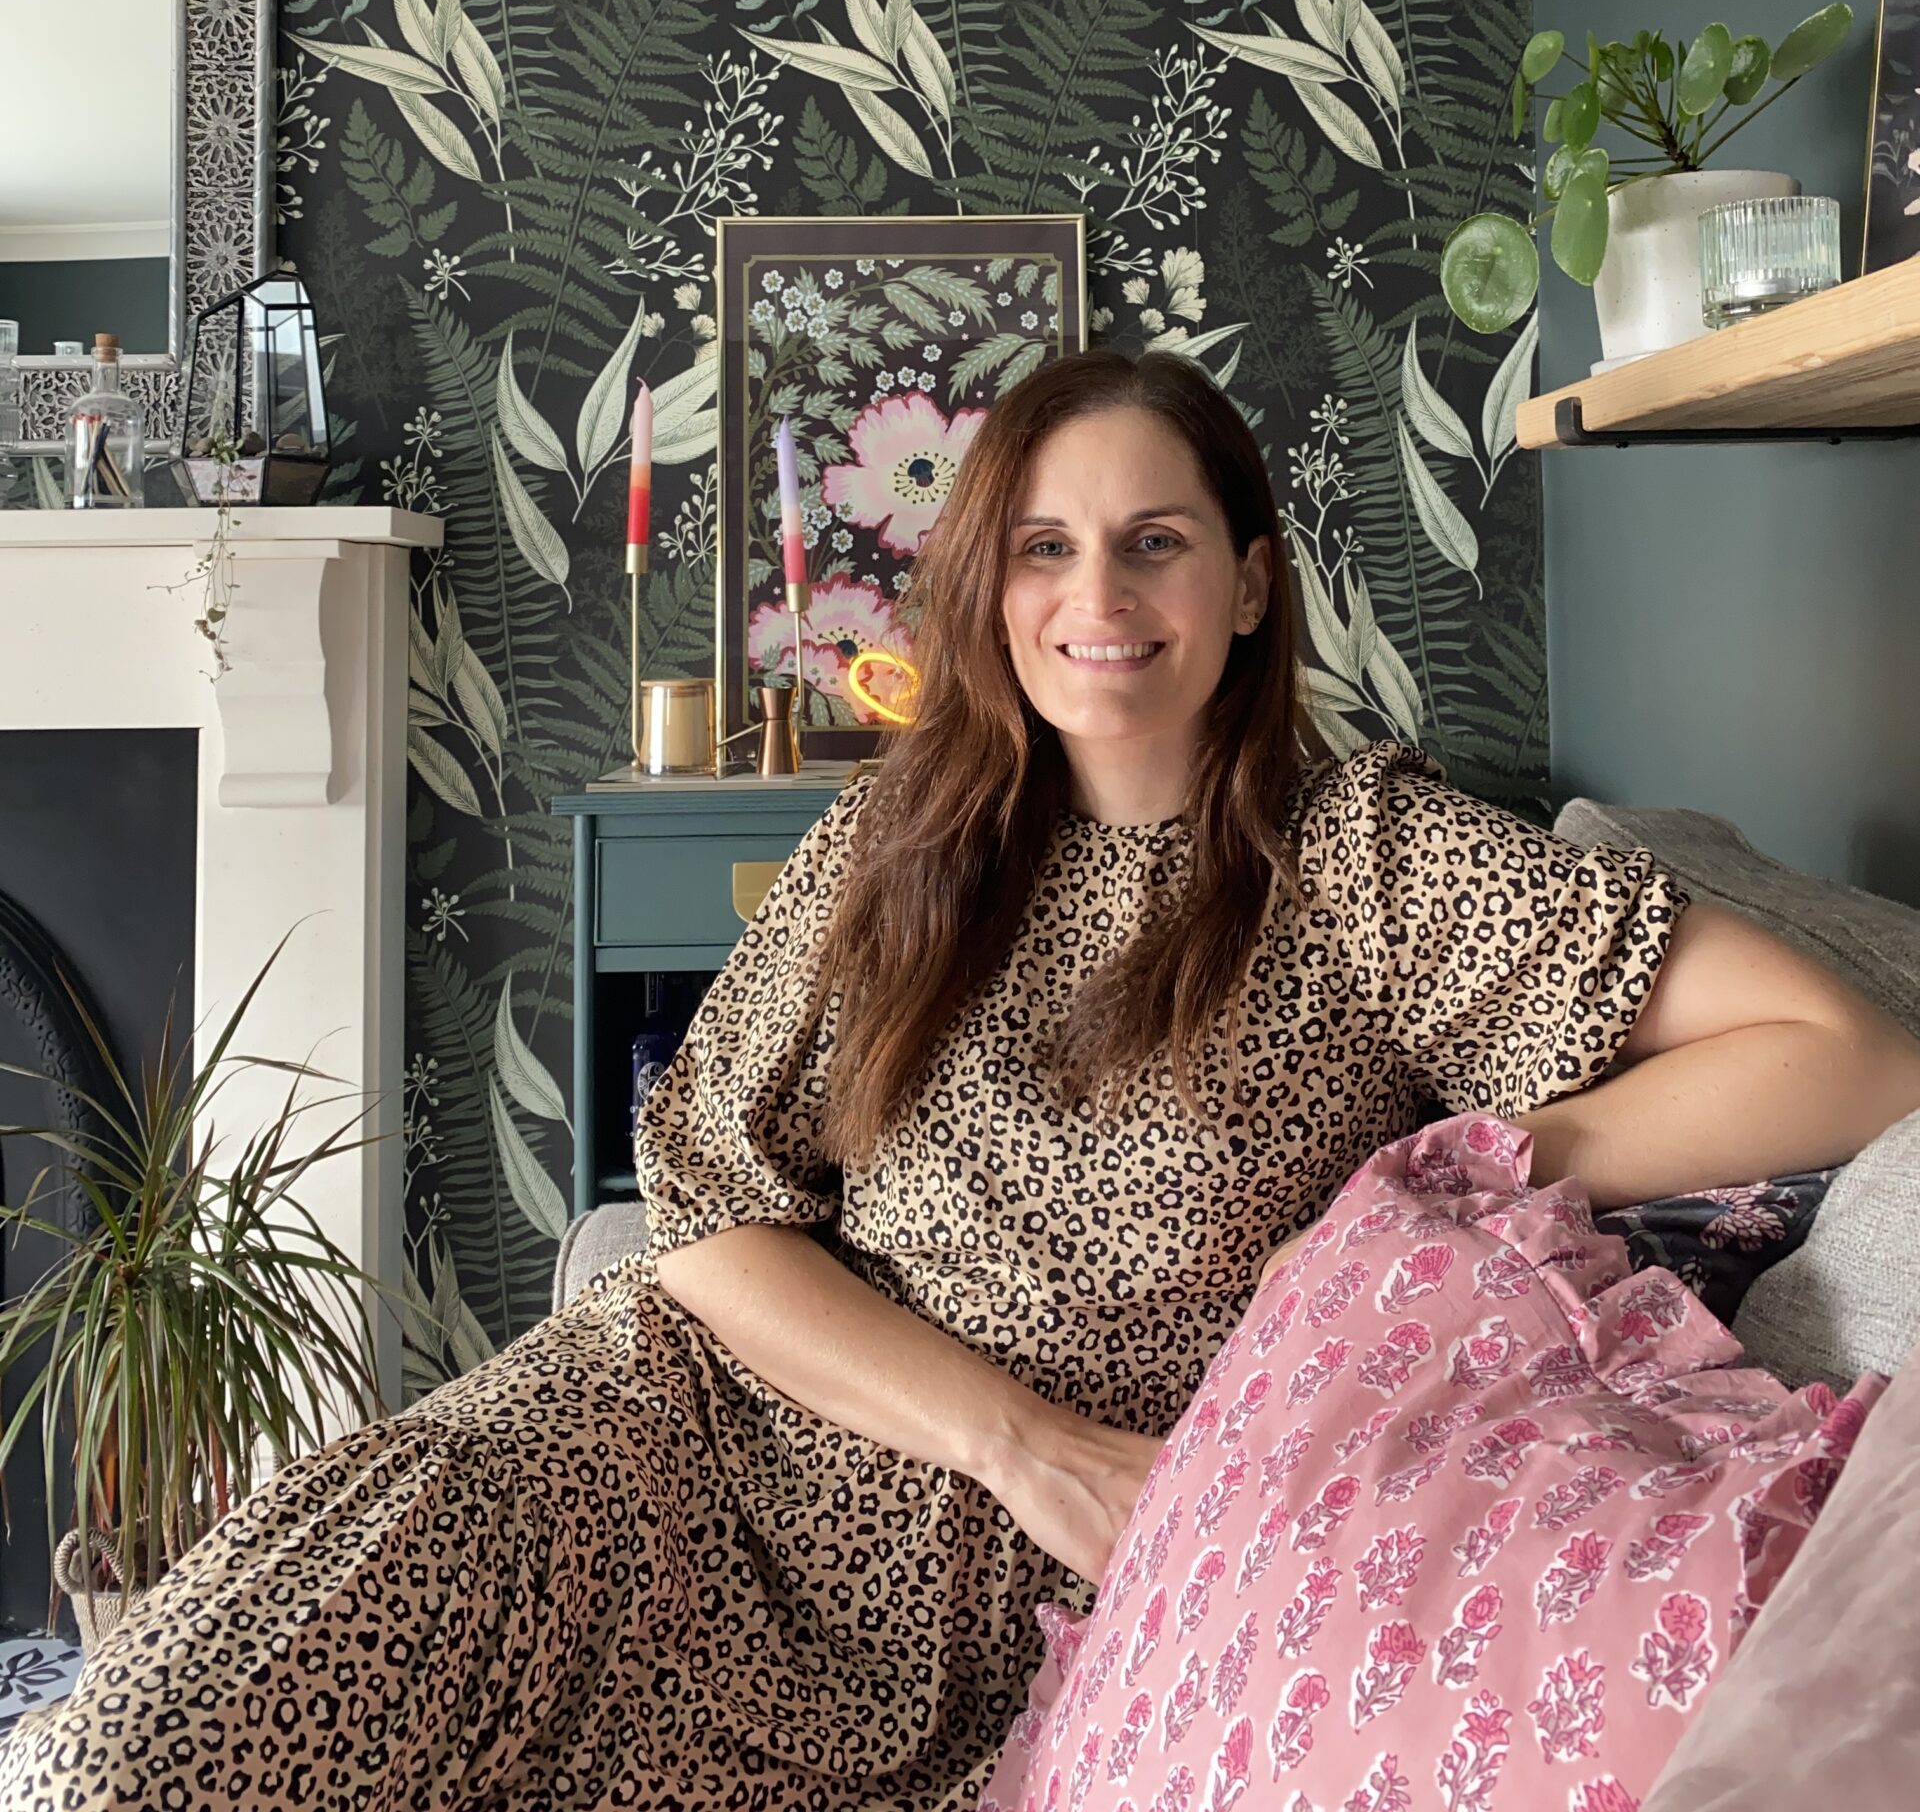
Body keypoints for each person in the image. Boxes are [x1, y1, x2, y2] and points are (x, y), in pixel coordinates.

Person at [6, 349, 1918, 1812]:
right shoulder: (899, 841)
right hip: (660, 1454)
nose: (1101, 596)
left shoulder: (1372, 861)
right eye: (1045, 547)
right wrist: (1026, 1444)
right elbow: (706, 1219)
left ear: (1252, 584)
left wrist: (1456, 1165)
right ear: (993, 586)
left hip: (966, 1623)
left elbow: (1847, 1053)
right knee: (129, 1757)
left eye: (1157, 540)